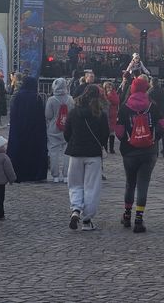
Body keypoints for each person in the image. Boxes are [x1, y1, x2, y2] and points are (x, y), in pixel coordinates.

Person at [117, 77, 164, 233]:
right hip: (148, 151)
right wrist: (154, 138)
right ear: (146, 88)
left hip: (130, 152)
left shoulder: (124, 107)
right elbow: (163, 127)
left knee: (129, 183)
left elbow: (118, 132)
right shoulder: (152, 106)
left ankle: (126, 215)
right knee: (143, 185)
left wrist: (128, 139)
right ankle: (139, 219)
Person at [64, 84, 109, 231]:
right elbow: (105, 134)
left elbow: (66, 133)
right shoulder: (100, 114)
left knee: (75, 184)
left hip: (76, 153)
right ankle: (87, 219)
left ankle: (76, 209)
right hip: (93, 154)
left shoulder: (73, 112)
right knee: (91, 187)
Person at [7, 77, 48, 183]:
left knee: (19, 151)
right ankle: (32, 174)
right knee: (32, 152)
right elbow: (40, 118)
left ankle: (16, 174)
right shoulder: (36, 98)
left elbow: (13, 114)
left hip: (18, 130)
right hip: (33, 131)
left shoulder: (17, 97)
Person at [44, 78, 75, 183]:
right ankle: (66, 175)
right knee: (67, 152)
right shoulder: (70, 99)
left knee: (54, 152)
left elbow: (48, 115)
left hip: (54, 128)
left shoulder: (51, 100)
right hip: (68, 128)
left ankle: (55, 176)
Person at [147, 77, 164, 156]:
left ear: (151, 83)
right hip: (163, 113)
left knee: (155, 133)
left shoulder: (149, 92)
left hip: (153, 114)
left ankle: (155, 151)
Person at [103, 82, 120, 154]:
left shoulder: (112, 95)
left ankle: (111, 148)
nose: (109, 89)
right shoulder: (104, 95)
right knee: (106, 132)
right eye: (107, 87)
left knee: (111, 132)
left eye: (110, 87)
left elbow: (116, 101)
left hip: (112, 114)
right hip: (107, 114)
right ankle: (106, 148)